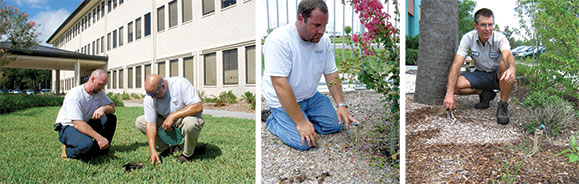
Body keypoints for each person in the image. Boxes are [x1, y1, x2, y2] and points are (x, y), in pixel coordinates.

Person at [262, 0, 356, 151]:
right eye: (317, 25)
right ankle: (272, 118)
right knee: (305, 142)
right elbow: (280, 84)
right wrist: (300, 122)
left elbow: (331, 73)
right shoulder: (279, 40)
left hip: (310, 97)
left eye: (324, 26)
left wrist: (341, 105)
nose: (322, 31)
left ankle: (302, 115)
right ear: (301, 19)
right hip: (283, 100)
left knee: (336, 124)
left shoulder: (323, 41)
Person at [443, 8, 516, 125]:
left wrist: (512, 68)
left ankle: (503, 106)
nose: (487, 29)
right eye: (483, 25)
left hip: (498, 76)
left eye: (490, 25)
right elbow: (457, 64)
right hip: (481, 74)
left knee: (505, 64)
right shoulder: (468, 38)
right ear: (475, 26)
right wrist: (449, 94)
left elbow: (507, 55)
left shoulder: (500, 38)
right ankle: (484, 93)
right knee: (452, 86)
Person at [135, 74, 204, 164]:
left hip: (184, 119)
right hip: (166, 123)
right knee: (140, 121)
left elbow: (198, 107)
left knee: (191, 123)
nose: (152, 97)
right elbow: (150, 124)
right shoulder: (150, 97)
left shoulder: (181, 84)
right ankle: (169, 148)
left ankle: (187, 154)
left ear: (163, 86)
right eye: (149, 94)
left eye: (155, 94)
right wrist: (152, 150)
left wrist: (173, 116)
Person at [54, 69, 117, 159]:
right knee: (86, 146)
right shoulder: (75, 95)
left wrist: (103, 108)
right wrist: (99, 138)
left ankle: (102, 150)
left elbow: (112, 107)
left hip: (85, 123)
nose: (102, 88)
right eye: (100, 84)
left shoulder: (98, 92)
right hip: (68, 127)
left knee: (111, 118)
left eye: (104, 85)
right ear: (92, 79)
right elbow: (77, 123)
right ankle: (67, 151)